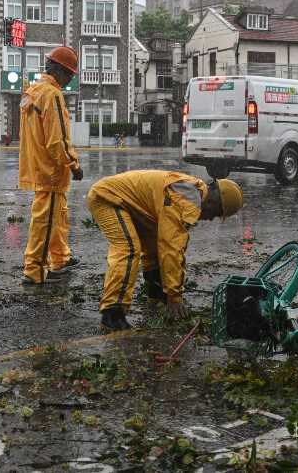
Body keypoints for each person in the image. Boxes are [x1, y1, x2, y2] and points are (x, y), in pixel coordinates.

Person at [88, 170, 244, 331]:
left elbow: (161, 245)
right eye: (216, 214)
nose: (211, 219)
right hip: (108, 198)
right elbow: (172, 249)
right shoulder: (185, 201)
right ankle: (112, 314)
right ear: (213, 202)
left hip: (128, 203)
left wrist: (167, 291)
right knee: (129, 249)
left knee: (154, 241)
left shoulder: (192, 191)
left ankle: (155, 293)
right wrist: (174, 296)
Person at [19, 46, 83, 285]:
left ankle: (60, 259)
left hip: (38, 166)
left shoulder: (32, 92)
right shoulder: (52, 95)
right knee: (45, 222)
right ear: (58, 70)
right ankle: (33, 270)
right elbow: (57, 139)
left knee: (57, 217)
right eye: (68, 75)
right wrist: (73, 164)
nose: (69, 81)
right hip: (51, 171)